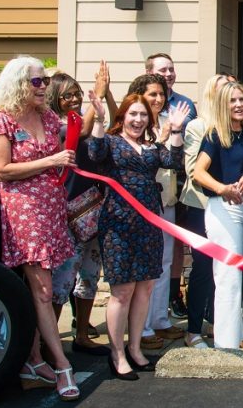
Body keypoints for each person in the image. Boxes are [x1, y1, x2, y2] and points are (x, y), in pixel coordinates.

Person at [0, 57, 80, 401]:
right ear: (20, 83)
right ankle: (62, 365)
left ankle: (33, 360)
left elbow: (72, 138)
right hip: (24, 209)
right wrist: (51, 161)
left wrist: (96, 104)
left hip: (52, 208)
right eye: (37, 82)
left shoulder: (46, 117)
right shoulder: (1, 120)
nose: (44, 88)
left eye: (45, 82)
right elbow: (1, 169)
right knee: (41, 289)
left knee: (43, 288)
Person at [88, 91, 187, 380]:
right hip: (118, 225)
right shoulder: (112, 143)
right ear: (123, 116)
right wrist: (99, 120)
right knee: (122, 291)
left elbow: (175, 161)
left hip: (149, 225)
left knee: (144, 288)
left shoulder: (152, 147)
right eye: (133, 114)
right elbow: (94, 154)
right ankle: (116, 353)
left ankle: (135, 348)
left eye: (143, 114)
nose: (138, 119)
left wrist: (177, 130)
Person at [192, 81, 243, 350]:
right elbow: (198, 173)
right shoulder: (214, 136)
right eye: (233, 100)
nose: (238, 105)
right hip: (224, 208)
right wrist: (222, 188)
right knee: (229, 276)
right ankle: (227, 344)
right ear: (224, 105)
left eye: (242, 100)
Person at [47, 69, 114, 357]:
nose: (74, 99)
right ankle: (49, 343)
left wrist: (105, 95)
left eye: (77, 94)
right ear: (55, 99)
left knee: (89, 276)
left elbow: (107, 127)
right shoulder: (54, 125)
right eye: (67, 96)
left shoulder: (83, 118)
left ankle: (83, 334)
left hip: (94, 209)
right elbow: (82, 133)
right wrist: (96, 92)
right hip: (68, 211)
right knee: (63, 280)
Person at [127, 74, 185, 348]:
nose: (159, 99)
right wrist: (160, 139)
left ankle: (160, 320)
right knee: (145, 267)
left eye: (161, 95)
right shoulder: (134, 124)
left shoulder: (166, 122)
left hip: (166, 200)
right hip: (140, 206)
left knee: (163, 263)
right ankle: (143, 326)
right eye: (153, 94)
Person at [179, 73, 234, 349]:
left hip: (227, 210)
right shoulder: (198, 127)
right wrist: (218, 198)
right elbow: (192, 171)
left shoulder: (233, 128)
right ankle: (193, 329)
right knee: (202, 268)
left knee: (221, 268)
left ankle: (214, 322)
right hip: (201, 207)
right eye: (225, 89)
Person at [145, 53, 195, 322]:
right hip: (142, 193)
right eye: (162, 70)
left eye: (172, 69)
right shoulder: (137, 114)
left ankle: (162, 315)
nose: (169, 74)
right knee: (149, 258)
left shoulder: (183, 106)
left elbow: (183, 151)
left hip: (171, 188)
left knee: (168, 253)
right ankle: (145, 322)